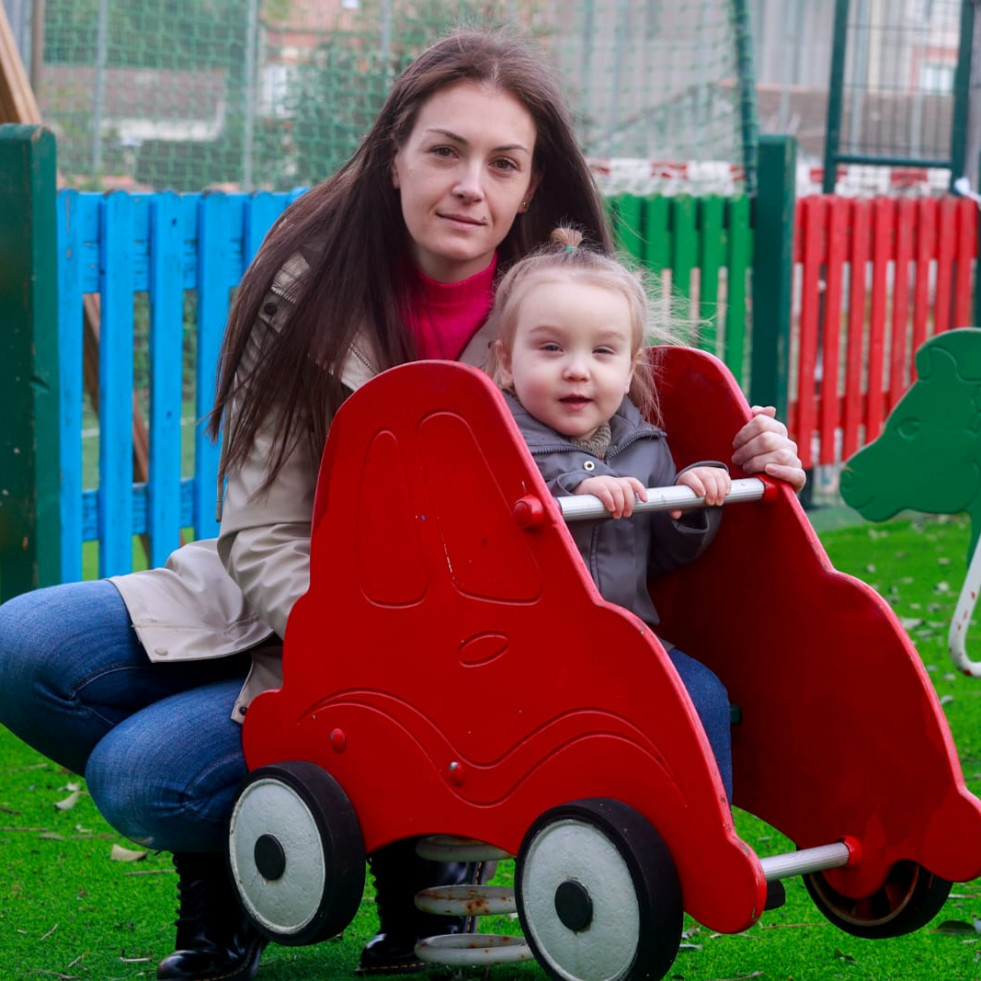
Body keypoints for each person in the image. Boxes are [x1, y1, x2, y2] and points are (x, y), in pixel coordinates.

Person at [0, 28, 805, 981]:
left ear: (528, 183)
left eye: (501, 162)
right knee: (25, 644)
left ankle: (391, 847)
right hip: (302, 594)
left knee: (143, 775)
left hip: (468, 645)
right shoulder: (311, 289)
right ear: (393, 158)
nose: (471, 185)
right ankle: (322, 837)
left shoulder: (562, 317)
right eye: (445, 151)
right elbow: (262, 523)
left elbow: (641, 483)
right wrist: (352, 662)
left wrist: (747, 454)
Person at [486, 226, 745, 797]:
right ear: (506, 363)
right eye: (551, 348)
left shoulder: (645, 444)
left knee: (702, 694)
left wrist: (690, 501)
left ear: (629, 370)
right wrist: (583, 483)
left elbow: (666, 556)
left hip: (631, 642)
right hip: (529, 653)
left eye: (602, 352)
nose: (578, 369)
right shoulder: (493, 442)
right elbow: (490, 531)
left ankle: (711, 836)